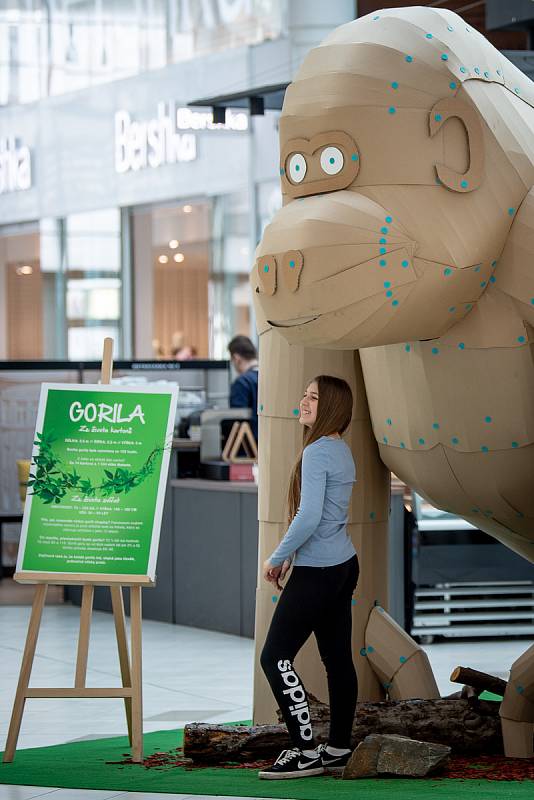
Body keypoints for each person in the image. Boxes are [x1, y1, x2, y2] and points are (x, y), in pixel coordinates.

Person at [258, 375, 358, 780]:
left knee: (274, 656)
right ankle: (337, 749)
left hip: (318, 571)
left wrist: (278, 557)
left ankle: (304, 750)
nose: (303, 401)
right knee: (337, 660)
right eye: (304, 393)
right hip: (343, 565)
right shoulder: (341, 450)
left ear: (330, 407)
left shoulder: (317, 452)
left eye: (313, 397)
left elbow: (310, 515)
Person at [228, 335, 259, 440]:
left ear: (236, 358)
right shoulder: (269, 378)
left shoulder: (242, 382)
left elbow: (236, 419)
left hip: (248, 448)